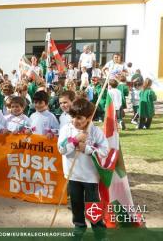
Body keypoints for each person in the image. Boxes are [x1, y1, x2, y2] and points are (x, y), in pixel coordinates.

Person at [58, 98, 108, 240]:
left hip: (90, 176)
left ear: (89, 117)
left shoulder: (95, 131)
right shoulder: (66, 129)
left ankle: (99, 230)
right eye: (73, 116)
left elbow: (104, 151)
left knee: (92, 204)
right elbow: (61, 149)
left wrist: (87, 148)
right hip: (73, 175)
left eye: (79, 118)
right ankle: (79, 227)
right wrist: (74, 140)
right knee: (76, 204)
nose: (75, 120)